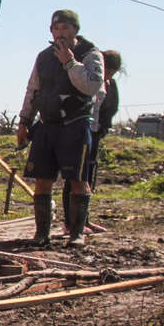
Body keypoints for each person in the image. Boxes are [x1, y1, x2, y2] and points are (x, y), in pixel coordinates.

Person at [16, 9, 104, 248]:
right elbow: (33, 89)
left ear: (75, 30)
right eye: (57, 28)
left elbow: (92, 87)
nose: (61, 33)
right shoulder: (43, 56)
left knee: (77, 180)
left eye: (66, 28)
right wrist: (24, 121)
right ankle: (41, 233)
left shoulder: (90, 54)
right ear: (51, 31)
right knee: (42, 179)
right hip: (46, 125)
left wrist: (69, 62)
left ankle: (77, 233)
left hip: (74, 126)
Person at [62, 49, 122, 234]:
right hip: (77, 131)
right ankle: (70, 223)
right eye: (108, 71)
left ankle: (83, 220)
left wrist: (102, 129)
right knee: (74, 177)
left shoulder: (110, 85)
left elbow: (111, 108)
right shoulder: (85, 78)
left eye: (112, 74)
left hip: (94, 133)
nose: (108, 76)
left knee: (88, 177)